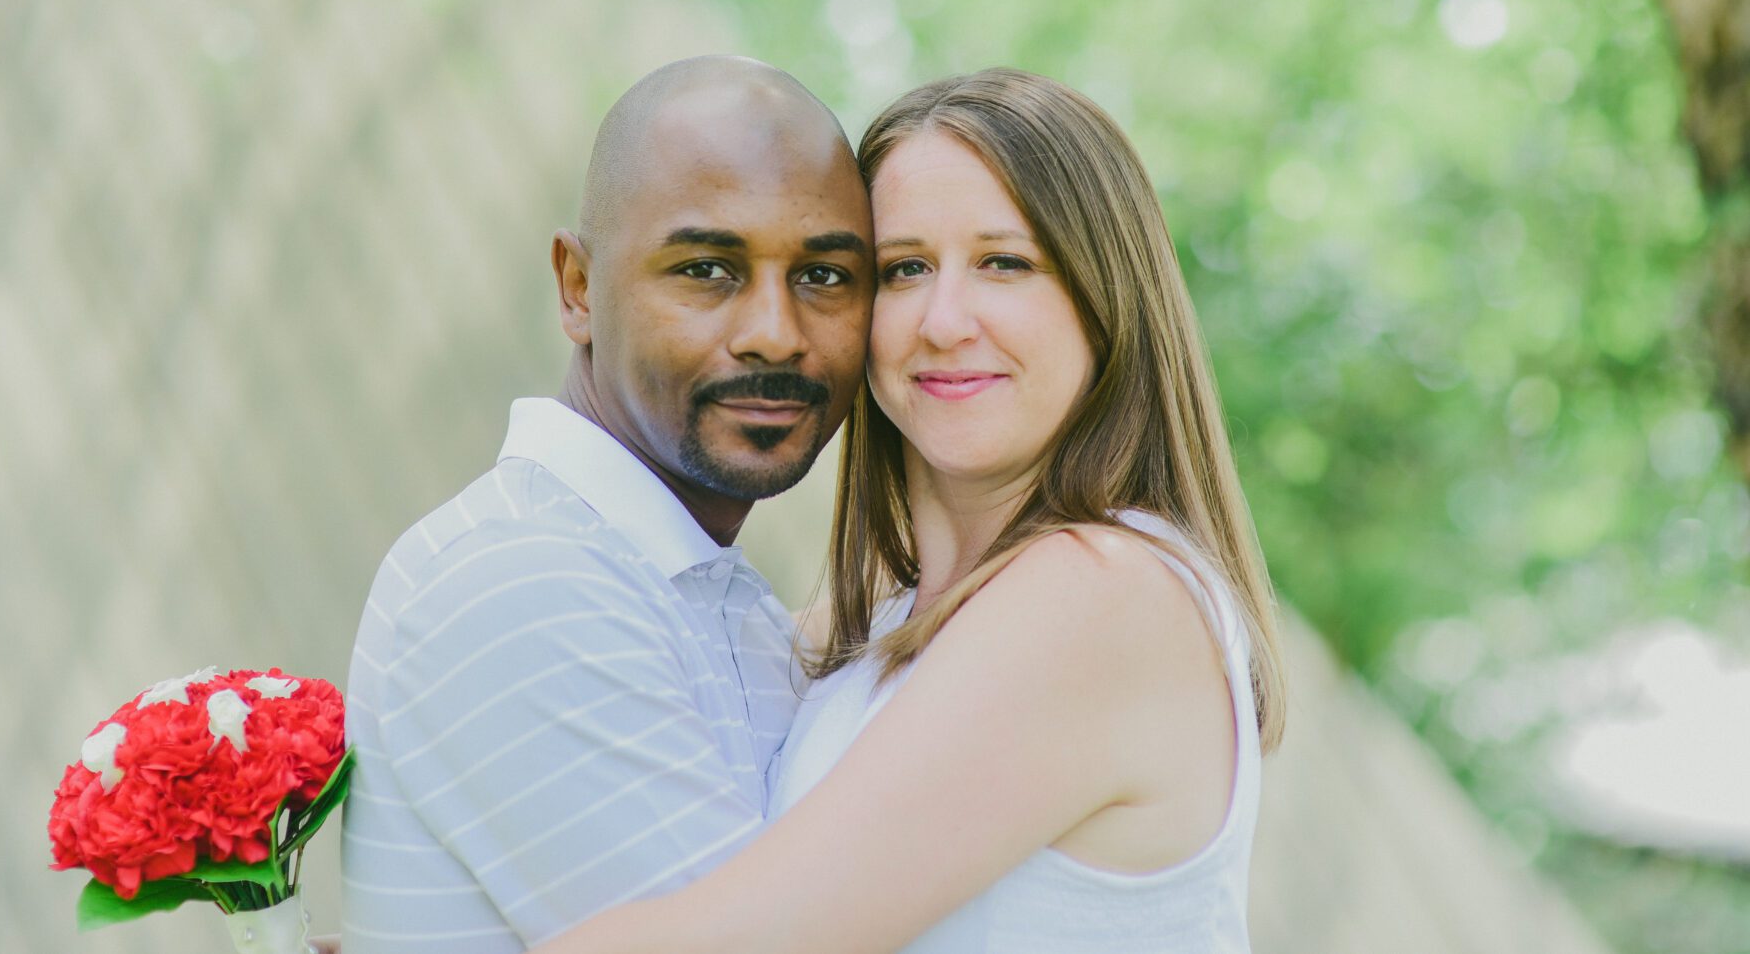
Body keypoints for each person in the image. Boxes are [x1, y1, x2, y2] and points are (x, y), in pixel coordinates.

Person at [531, 67, 1289, 954]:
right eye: (904, 270)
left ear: (1106, 297)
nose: (944, 321)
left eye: (1005, 263)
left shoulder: (1107, 594)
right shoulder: (870, 631)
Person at [339, 55, 874, 952]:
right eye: (707, 268)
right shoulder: (520, 581)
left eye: (823, 276)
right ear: (578, 288)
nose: (775, 334)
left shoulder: (712, 597)